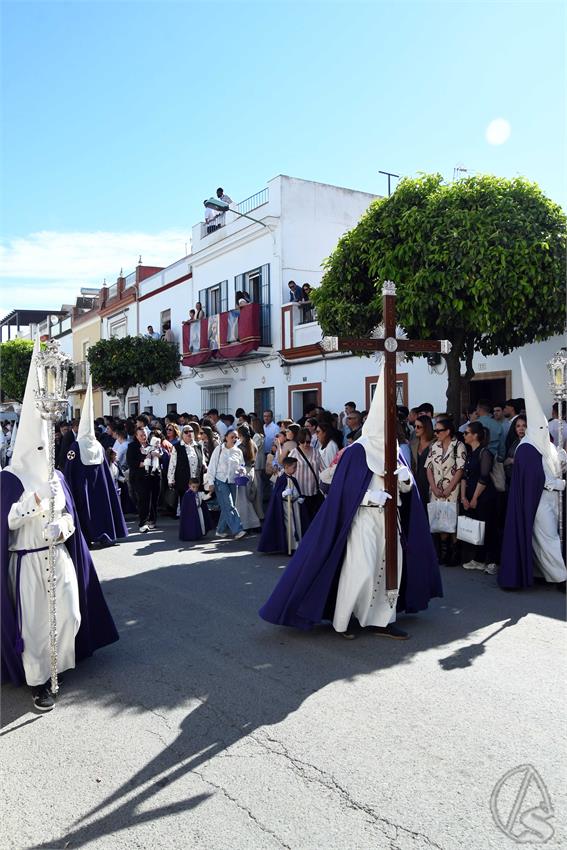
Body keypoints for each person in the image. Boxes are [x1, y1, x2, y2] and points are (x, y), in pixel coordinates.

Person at [259, 370, 442, 638]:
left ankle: (382, 618)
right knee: (362, 570)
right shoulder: (358, 451)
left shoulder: (393, 450)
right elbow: (343, 492)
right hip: (364, 519)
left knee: (392, 569)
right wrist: (370, 497)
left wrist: (405, 481)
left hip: (391, 521)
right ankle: (342, 620)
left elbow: (407, 490)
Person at [1, 338, 119, 711]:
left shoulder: (55, 475)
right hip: (27, 562)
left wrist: (63, 528)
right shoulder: (9, 479)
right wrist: (32, 506)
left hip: (57, 556)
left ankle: (59, 665)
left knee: (69, 613)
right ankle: (39, 681)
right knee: (34, 626)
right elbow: (7, 520)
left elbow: (70, 515)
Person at [499, 361, 567, 591]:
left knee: (542, 539)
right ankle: (561, 577)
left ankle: (540, 572)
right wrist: (559, 483)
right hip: (538, 501)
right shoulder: (527, 447)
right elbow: (538, 479)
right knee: (548, 539)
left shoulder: (545, 444)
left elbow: (554, 465)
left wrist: (561, 459)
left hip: (549, 500)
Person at [63, 379, 128, 548]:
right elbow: (105, 468)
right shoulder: (98, 445)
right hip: (100, 487)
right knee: (101, 509)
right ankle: (104, 534)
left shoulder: (76, 446)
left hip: (82, 487)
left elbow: (70, 468)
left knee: (86, 511)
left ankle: (87, 537)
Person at [425, 417, 466, 566]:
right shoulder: (434, 446)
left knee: (452, 519)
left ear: (448, 431)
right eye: (435, 430)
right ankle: (443, 552)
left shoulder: (458, 446)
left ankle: (454, 553)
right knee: (440, 520)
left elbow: (460, 469)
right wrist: (434, 487)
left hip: (452, 489)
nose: (436, 433)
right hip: (436, 488)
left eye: (438, 430)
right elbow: (428, 468)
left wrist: (449, 488)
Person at [460, 422, 500, 573]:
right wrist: (464, 496)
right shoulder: (470, 453)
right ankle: (479, 559)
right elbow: (464, 476)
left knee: (489, 528)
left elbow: (484, 477)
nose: (464, 435)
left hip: (485, 497)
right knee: (478, 528)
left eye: (466, 433)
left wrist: (475, 497)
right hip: (471, 495)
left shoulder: (485, 453)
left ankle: (493, 561)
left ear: (475, 435)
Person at [258, 456, 305, 554]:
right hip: (286, 506)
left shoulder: (293, 479)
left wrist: (300, 497)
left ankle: (298, 545)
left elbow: (297, 490)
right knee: (290, 526)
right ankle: (291, 546)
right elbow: (276, 493)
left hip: (295, 505)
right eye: (294, 467)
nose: (295, 469)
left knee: (298, 525)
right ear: (286, 467)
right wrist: (283, 493)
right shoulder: (281, 478)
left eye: (296, 467)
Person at [204, 431, 246, 540]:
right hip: (220, 480)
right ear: (226, 437)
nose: (234, 439)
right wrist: (211, 482)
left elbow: (242, 465)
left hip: (233, 481)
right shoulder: (219, 449)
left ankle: (220, 530)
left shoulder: (238, 451)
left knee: (226, 506)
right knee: (229, 505)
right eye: (232, 437)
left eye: (236, 437)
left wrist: (242, 471)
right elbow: (212, 466)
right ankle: (238, 529)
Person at [127, 426, 161, 533]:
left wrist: (158, 455)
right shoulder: (132, 446)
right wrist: (145, 461)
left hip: (154, 475)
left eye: (145, 434)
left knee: (154, 499)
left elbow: (160, 457)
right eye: (141, 435)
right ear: (136, 436)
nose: (143, 437)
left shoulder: (152, 446)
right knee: (143, 499)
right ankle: (143, 523)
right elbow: (131, 462)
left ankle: (152, 520)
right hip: (139, 477)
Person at [288, 427, 324, 526]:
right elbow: (287, 471)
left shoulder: (316, 452)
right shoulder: (294, 453)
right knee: (302, 521)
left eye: (307, 441)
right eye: (302, 441)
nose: (305, 444)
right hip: (300, 492)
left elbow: (323, 470)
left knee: (314, 519)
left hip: (314, 492)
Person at [410, 415, 435, 509]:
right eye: (415, 426)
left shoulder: (435, 444)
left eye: (418, 427)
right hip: (417, 481)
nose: (415, 429)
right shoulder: (413, 444)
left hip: (431, 481)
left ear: (426, 428)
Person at [503, 415, 527, 487]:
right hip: (511, 478)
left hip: (523, 480)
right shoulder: (514, 442)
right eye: (518, 426)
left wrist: (512, 460)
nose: (521, 429)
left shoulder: (530, 443)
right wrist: (508, 461)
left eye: (524, 426)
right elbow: (505, 461)